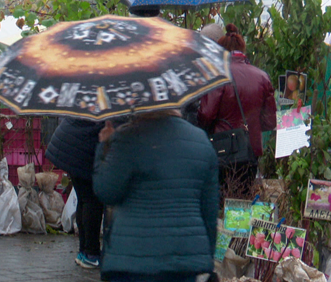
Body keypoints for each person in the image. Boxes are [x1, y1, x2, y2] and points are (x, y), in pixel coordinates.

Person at [92, 110, 219, 282]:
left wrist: (105, 146)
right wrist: (205, 258)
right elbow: (210, 212)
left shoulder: (126, 138)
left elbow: (106, 191)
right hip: (184, 261)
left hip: (132, 259)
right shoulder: (201, 141)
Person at [198, 23, 276, 194]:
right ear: (243, 48)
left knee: (220, 203)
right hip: (251, 152)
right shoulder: (262, 77)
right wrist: (250, 125)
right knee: (243, 204)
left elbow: (206, 115)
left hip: (222, 150)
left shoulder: (217, 76)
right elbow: (270, 122)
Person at [45, 118, 108, 269]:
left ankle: (84, 251)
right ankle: (91, 253)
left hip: (70, 144)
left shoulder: (91, 97)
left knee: (84, 198)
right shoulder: (107, 101)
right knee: (92, 200)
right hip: (80, 148)